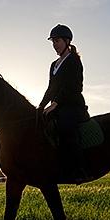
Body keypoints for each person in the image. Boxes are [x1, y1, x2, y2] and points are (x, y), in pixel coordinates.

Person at [38, 24, 90, 180]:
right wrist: (40, 106)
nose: (55, 45)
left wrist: (56, 103)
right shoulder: (54, 65)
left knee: (66, 128)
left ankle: (78, 169)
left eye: (57, 41)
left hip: (72, 105)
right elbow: (51, 88)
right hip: (56, 106)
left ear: (67, 41)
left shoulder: (74, 60)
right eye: (53, 42)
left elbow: (75, 86)